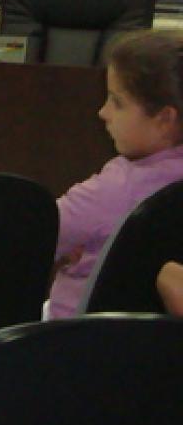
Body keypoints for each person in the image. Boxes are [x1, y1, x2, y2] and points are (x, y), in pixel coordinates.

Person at [48, 30, 183, 319]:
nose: (103, 112)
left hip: (76, 335)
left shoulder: (115, 189)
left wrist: (57, 250)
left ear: (164, 119)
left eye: (117, 102)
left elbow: (35, 235)